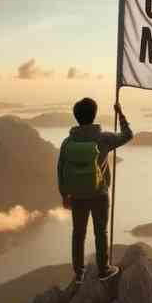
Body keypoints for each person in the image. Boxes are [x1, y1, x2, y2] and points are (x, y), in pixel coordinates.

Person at [58, 97, 133, 282]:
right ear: (94, 115)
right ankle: (103, 269)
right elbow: (128, 135)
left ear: (77, 117)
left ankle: (79, 273)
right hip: (99, 193)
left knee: (78, 233)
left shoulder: (67, 143)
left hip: (77, 195)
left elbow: (60, 169)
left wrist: (64, 194)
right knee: (101, 232)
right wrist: (120, 114)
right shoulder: (103, 138)